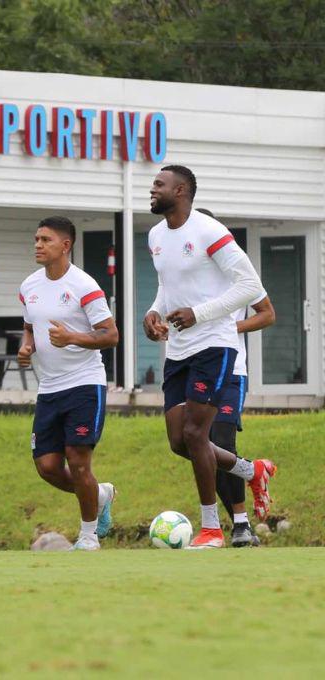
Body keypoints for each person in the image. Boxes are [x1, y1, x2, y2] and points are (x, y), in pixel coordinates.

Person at [144, 165, 276, 550]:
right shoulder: (155, 234)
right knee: (178, 442)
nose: (152, 190)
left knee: (196, 434)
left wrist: (200, 314)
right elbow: (167, 287)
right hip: (179, 349)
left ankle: (213, 529)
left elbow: (251, 286)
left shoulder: (210, 231)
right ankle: (252, 470)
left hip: (215, 346)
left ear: (181, 190)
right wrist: (153, 313)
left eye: (159, 184)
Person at [17, 217, 119, 551]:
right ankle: (100, 494)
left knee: (78, 461)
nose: (38, 245)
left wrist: (72, 337)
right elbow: (30, 326)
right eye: (36, 239)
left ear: (65, 245)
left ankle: (88, 535)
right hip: (48, 387)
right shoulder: (29, 286)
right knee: (47, 467)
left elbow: (110, 334)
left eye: (45, 239)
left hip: (84, 384)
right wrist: (27, 345)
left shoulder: (84, 286)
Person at [194, 208, 276, 547]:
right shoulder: (180, 275)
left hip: (231, 371)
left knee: (222, 444)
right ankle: (251, 474)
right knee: (198, 446)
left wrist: (228, 327)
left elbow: (267, 314)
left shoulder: (235, 269)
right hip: (193, 371)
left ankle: (240, 525)